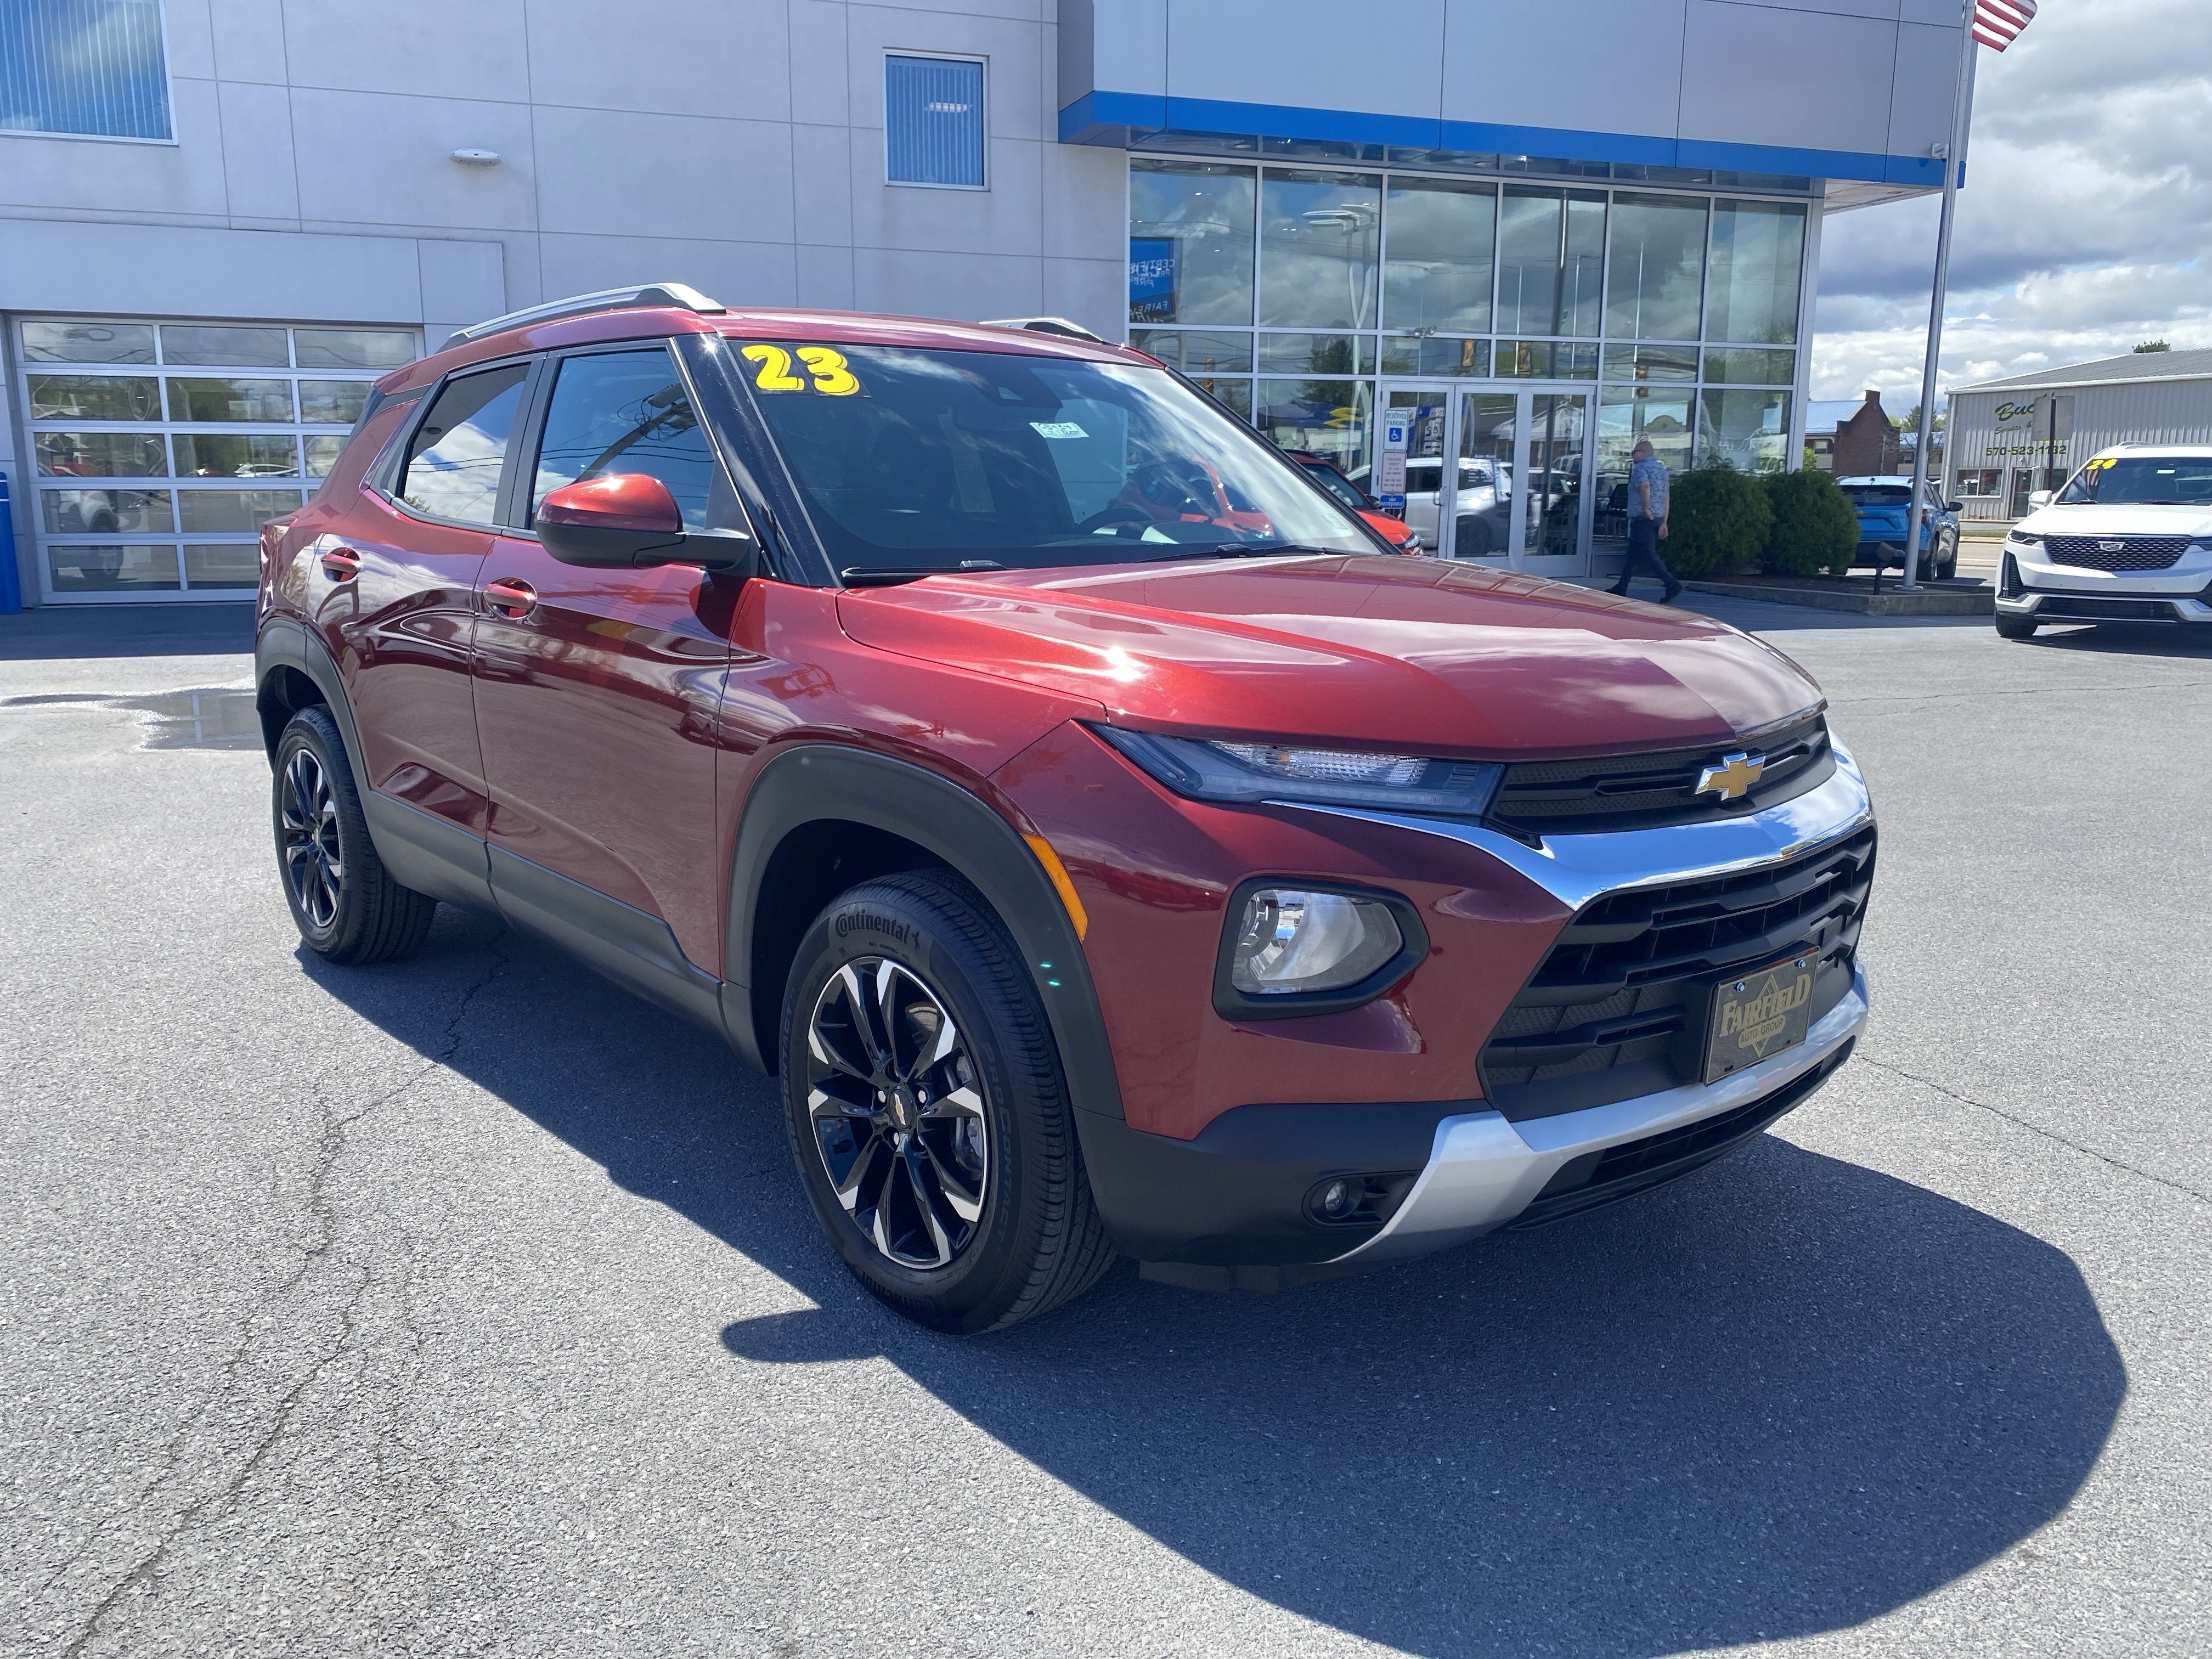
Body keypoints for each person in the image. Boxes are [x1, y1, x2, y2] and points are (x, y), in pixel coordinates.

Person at [1609, 438, 1682, 602]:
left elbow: (1644, 486)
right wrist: (1664, 521)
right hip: (1658, 518)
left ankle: (1672, 584)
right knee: (1632, 554)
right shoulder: (1662, 470)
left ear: (1644, 452)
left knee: (1648, 553)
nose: (1632, 455)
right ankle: (1621, 587)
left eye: (1634, 452)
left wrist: (1646, 509)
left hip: (1644, 518)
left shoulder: (1640, 468)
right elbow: (1667, 497)